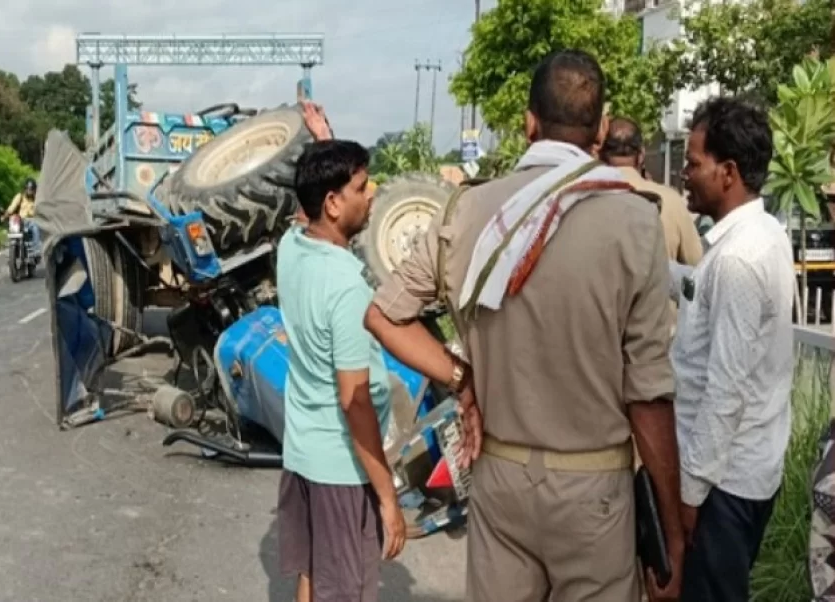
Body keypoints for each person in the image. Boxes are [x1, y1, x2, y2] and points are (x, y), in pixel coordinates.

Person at [364, 49, 684, 602]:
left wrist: (463, 381)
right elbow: (649, 396)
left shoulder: (466, 210)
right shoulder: (632, 219)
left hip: (499, 475)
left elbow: (384, 314)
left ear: (528, 121)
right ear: (602, 128)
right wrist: (674, 532)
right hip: (593, 489)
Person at [672, 96, 794, 602]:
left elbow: (726, 391)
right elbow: (708, 298)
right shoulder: (762, 233)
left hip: (724, 485)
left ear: (728, 173)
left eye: (693, 162)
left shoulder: (739, 260)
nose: (683, 173)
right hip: (746, 472)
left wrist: (691, 494)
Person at [276, 139, 405, 602]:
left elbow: (303, 206)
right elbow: (354, 399)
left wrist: (321, 136)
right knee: (344, 591)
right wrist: (387, 497)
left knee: (312, 576)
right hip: (340, 469)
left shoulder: (290, 247)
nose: (370, 196)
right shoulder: (347, 285)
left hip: (302, 454)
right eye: (361, 187)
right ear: (332, 203)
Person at [599, 117, 703, 267]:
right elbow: (696, 263)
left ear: (600, 154)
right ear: (641, 155)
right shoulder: (670, 200)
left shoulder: (586, 199)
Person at [1, 178, 41, 258]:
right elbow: (12, 207)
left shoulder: (37, 199)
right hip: (20, 220)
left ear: (34, 190)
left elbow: (41, 209)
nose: (30, 191)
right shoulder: (20, 196)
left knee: (35, 226)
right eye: (28, 189)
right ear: (25, 189)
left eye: (32, 189)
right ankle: (9, 246)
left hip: (31, 220)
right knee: (12, 225)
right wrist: (5, 216)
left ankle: (36, 249)